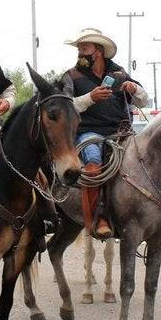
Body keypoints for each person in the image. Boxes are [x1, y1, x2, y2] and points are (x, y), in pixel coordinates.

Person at [59, 28, 148, 239]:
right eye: (80, 48)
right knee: (93, 160)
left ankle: (158, 212)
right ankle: (99, 217)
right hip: (89, 132)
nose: (80, 52)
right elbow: (64, 105)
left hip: (122, 132)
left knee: (147, 157)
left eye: (84, 48)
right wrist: (91, 97)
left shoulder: (119, 74)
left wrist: (134, 90)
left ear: (98, 51)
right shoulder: (71, 76)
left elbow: (144, 101)